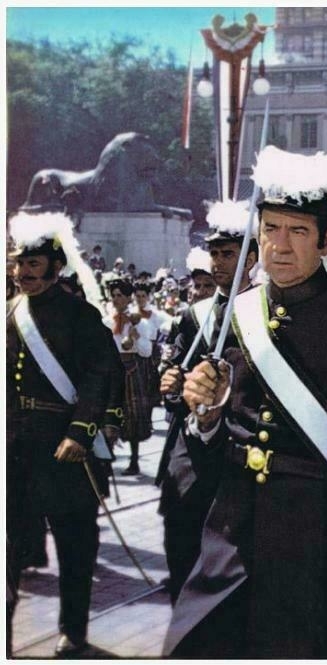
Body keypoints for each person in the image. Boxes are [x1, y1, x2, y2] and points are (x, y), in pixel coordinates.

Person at [163, 147, 327, 658]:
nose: (279, 246)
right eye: (271, 228)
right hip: (231, 534)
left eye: (297, 232)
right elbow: (215, 439)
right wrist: (205, 416)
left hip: (320, 540)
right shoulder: (237, 316)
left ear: (325, 241)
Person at [6, 211, 114, 657]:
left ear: (55, 266)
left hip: (64, 448)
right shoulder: (9, 312)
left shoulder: (80, 315)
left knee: (75, 544)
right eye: (18, 264)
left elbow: (101, 376)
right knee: (8, 546)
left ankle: (74, 630)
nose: (23, 273)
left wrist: (80, 431)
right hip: (14, 450)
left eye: (33, 264)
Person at [156, 201, 258, 605]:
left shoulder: (268, 311)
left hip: (239, 453)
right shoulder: (195, 314)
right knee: (180, 545)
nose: (217, 263)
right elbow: (177, 374)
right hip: (191, 452)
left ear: (251, 257)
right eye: (214, 254)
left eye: (228, 254)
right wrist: (171, 385)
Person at [103, 279, 155, 475]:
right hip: (111, 370)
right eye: (113, 295)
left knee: (131, 415)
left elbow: (147, 352)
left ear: (127, 297)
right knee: (109, 413)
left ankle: (134, 461)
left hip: (130, 370)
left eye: (120, 295)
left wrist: (136, 338)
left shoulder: (140, 322)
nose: (116, 299)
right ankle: (107, 460)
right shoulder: (107, 321)